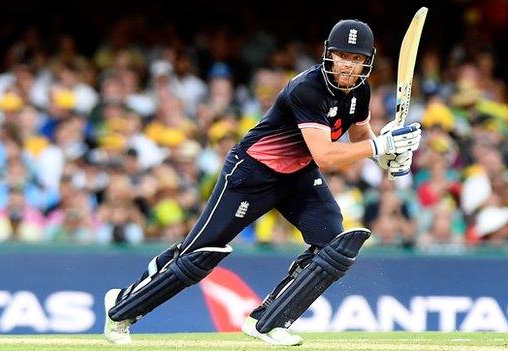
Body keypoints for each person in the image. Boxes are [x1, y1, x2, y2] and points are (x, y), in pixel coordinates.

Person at [103, 19, 422, 346]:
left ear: (366, 62)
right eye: (342, 55)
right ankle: (122, 306)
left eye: (355, 59)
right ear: (328, 54)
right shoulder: (308, 88)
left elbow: (359, 137)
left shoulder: (360, 92)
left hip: (297, 174)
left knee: (333, 244)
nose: (347, 64)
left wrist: (386, 155)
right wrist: (378, 147)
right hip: (252, 172)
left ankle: (269, 320)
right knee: (200, 255)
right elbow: (326, 156)